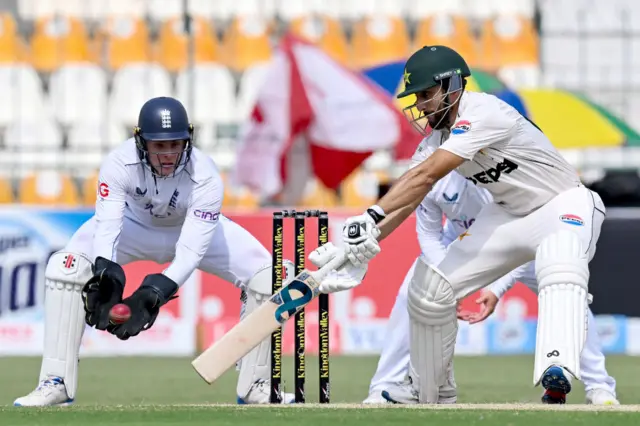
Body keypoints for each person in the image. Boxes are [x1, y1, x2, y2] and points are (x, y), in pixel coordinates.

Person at [329, 45, 607, 404]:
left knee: (560, 261)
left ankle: (559, 368)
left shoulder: (484, 111)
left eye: (427, 94)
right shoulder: (436, 140)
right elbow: (410, 198)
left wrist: (371, 215)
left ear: (453, 85)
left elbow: (427, 175)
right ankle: (429, 390)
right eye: (418, 96)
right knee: (429, 293)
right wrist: (358, 246)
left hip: (564, 202)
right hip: (509, 215)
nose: (422, 105)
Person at [14, 97, 304, 406]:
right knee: (65, 267)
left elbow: (191, 250)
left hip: (191, 230)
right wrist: (105, 273)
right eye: (158, 146)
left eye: (175, 144)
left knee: (273, 278)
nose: (168, 154)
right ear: (141, 142)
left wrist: (158, 290)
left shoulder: (205, 174)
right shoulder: (119, 162)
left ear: (188, 140)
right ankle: (55, 382)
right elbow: (108, 225)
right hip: (132, 226)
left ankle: (255, 385)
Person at [362, 145, 618, 405]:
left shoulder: (501, 170)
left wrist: (496, 288)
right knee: (412, 291)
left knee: (567, 290)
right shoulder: (428, 170)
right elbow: (429, 234)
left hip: (522, 238)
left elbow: (524, 234)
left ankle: (600, 387)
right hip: (461, 241)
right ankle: (383, 386)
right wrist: (448, 284)